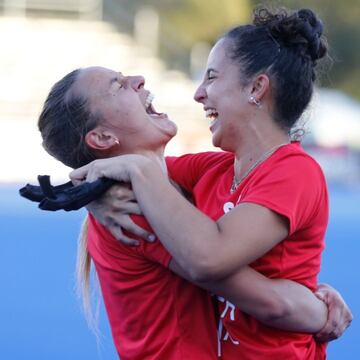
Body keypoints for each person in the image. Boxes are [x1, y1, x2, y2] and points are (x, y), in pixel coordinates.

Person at [70, 7, 353, 360]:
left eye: (212, 77)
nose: (199, 93)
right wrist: (97, 191)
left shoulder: (294, 171)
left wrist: (112, 181)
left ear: (256, 87)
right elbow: (136, 169)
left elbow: (209, 257)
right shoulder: (211, 170)